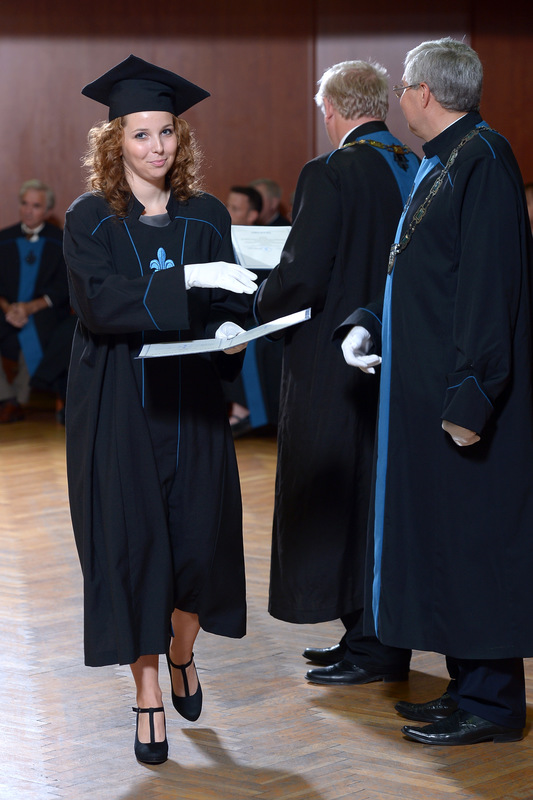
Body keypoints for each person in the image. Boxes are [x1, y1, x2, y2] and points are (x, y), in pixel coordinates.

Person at [64, 54, 258, 765]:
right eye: (141, 134)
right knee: (134, 551)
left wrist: (234, 331)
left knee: (199, 549)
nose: (157, 146)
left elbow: (230, 303)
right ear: (114, 141)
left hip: (193, 409)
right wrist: (187, 277)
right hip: (118, 410)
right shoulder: (90, 218)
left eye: (167, 132)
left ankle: (182, 651)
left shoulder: (206, 216)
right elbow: (100, 305)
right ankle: (147, 693)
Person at [339, 38, 533, 745]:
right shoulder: (443, 159)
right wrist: (368, 321)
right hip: (425, 394)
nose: (399, 98)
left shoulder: (483, 157)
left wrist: (472, 394)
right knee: (450, 544)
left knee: (476, 545)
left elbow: (488, 287)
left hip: (463, 399)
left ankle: (493, 704)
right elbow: (421, 276)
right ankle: (465, 687)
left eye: (402, 87)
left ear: (424, 93)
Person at [254, 61, 419, 685]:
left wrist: (256, 300)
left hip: (333, 359)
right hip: (399, 353)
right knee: (377, 499)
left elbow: (302, 273)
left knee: (335, 497)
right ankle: (367, 635)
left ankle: (372, 646)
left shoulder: (330, 171)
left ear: (333, 109)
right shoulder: (415, 165)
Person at [0, 179, 70, 422]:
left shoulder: (62, 241)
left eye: (36, 206)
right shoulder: (4, 238)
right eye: (24, 203)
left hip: (44, 311)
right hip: (6, 310)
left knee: (35, 329)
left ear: (48, 211)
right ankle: (7, 398)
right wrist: (9, 308)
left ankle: (19, 400)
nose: (28, 211)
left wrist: (29, 308)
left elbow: (65, 287)